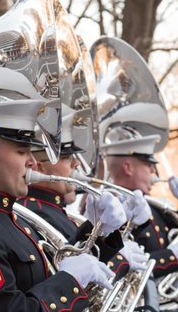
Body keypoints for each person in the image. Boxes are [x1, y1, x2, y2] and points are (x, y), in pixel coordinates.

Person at [0, 98, 119, 311]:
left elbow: (56, 269)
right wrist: (70, 281)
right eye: (21, 151)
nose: (32, 161)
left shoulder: (7, 214)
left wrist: (98, 230)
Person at [20, 110, 148, 277]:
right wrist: (119, 261)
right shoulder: (35, 213)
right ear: (39, 166)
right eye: (67, 158)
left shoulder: (55, 209)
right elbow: (68, 272)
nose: (76, 164)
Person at [104, 134, 178, 278]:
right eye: (149, 165)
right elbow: (125, 267)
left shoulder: (157, 206)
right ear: (128, 168)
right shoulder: (110, 212)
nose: (153, 172)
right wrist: (172, 256)